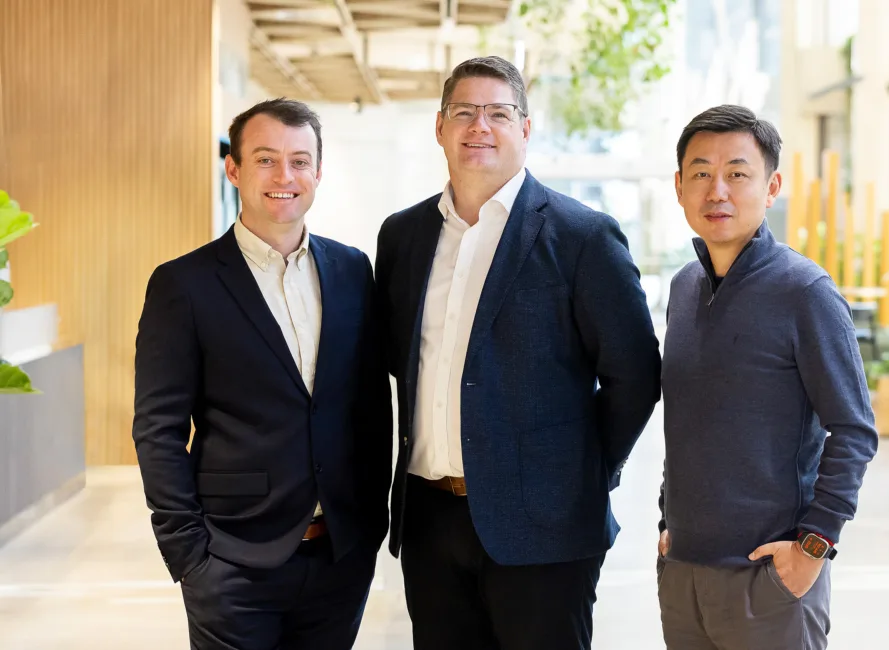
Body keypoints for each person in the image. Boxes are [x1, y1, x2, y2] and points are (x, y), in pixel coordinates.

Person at [374, 55, 662, 650]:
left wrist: (580, 476)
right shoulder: (402, 237)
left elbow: (634, 375)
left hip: (546, 528)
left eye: (498, 114)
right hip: (429, 522)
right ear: (440, 126)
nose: (480, 126)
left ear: (525, 129)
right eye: (465, 112)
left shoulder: (582, 236)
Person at [132, 98, 391, 649]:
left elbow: (370, 407)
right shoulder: (184, 284)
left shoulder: (351, 270)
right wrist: (189, 555)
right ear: (234, 169)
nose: (285, 176)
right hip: (231, 561)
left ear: (318, 172)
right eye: (266, 159)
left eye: (300, 161)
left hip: (339, 557)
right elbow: (158, 428)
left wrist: (369, 526)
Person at [655, 104, 879, 649]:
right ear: (680, 186)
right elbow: (690, 418)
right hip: (683, 572)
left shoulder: (805, 292)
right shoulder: (685, 287)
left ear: (771, 185)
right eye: (702, 173)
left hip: (769, 579)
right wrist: (668, 523)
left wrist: (813, 547)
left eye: (738, 173)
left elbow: (854, 429)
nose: (718, 191)